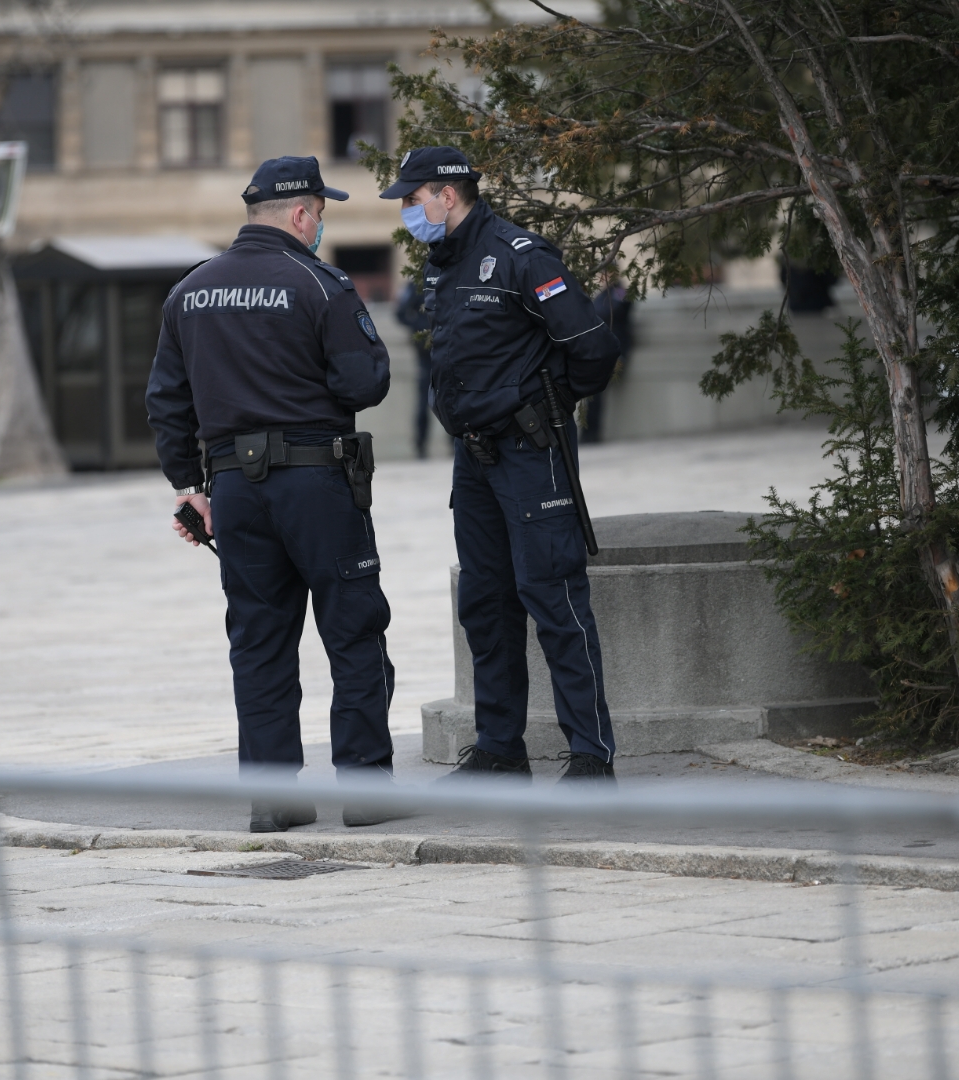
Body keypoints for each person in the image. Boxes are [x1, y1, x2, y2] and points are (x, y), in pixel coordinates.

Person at [146, 156, 406, 833]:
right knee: (353, 629)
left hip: (232, 487)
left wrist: (189, 489)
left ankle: (273, 799)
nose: (320, 225)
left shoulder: (190, 291)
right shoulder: (318, 282)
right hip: (316, 480)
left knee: (258, 641)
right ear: (300, 214)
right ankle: (367, 789)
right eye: (320, 212)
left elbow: (166, 402)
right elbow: (364, 384)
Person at [379, 147, 623, 783]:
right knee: (485, 603)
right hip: (475, 458)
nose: (409, 210)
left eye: (414, 197)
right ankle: (499, 750)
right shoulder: (445, 264)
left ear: (447, 195)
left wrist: (545, 405)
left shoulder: (520, 255)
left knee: (554, 597)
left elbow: (592, 347)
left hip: (528, 451)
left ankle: (593, 758)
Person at [585, 276, 633, 443]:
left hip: (616, 353)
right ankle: (589, 432)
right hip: (600, 351)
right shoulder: (602, 295)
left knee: (595, 389)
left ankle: (592, 433)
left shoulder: (619, 292)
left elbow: (608, 312)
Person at [394, 279, 436, 458]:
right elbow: (400, 312)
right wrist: (419, 329)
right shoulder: (417, 284)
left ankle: (456, 443)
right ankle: (421, 445)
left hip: (448, 348)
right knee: (423, 400)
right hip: (425, 352)